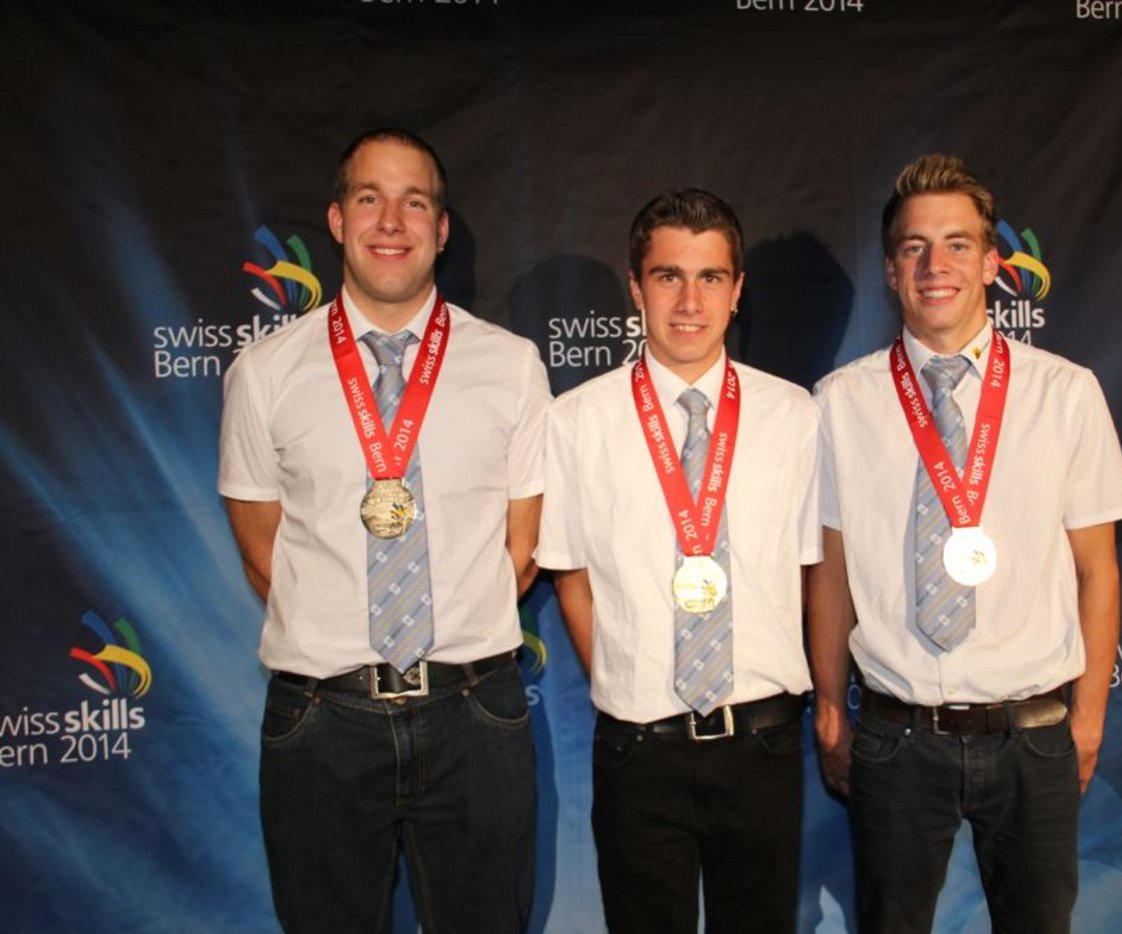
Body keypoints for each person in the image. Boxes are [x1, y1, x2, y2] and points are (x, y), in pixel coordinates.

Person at [218, 127, 549, 933]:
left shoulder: (510, 366)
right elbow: (265, 552)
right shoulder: (264, 373)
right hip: (322, 722)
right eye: (370, 198)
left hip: (474, 712)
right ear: (337, 220)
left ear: (441, 228)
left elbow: (521, 549)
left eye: (414, 202)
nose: (391, 220)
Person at [808, 153, 1122, 933]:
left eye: (957, 244)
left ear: (993, 261)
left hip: (1035, 738)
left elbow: (1098, 569)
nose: (936, 265)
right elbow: (830, 571)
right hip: (896, 737)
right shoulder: (839, 402)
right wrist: (829, 707)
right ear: (891, 270)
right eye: (916, 247)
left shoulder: (1066, 392)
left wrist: (1087, 719)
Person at [536, 189, 820, 933]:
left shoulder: (795, 415)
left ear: (737, 290)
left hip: (761, 742)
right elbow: (573, 582)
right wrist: (634, 690)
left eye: (710, 278)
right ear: (637, 287)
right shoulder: (575, 422)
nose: (689, 300)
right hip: (640, 750)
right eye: (668, 276)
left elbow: (810, 572)